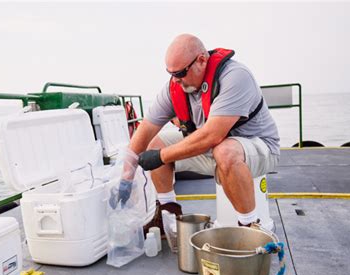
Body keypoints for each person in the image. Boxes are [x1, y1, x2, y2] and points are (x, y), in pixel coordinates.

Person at [113, 33, 280, 233]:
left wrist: (160, 157)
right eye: (171, 74)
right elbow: (146, 128)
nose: (175, 80)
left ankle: (250, 227)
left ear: (201, 60)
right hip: (213, 150)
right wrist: (126, 177)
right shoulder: (175, 86)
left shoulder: (235, 76)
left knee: (224, 151)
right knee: (154, 143)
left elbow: (212, 136)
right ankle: (167, 216)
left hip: (259, 147)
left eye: (181, 73)